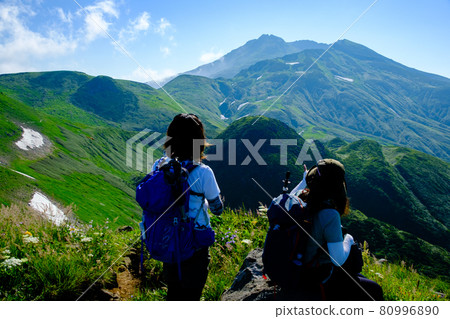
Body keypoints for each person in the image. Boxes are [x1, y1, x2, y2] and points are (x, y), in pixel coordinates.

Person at [151, 113, 223, 301]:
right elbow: (217, 209)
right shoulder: (203, 172)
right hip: (195, 243)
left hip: (167, 239)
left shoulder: (158, 166)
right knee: (191, 296)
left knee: (173, 292)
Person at [292, 159, 383, 301]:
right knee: (374, 290)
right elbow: (337, 260)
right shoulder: (330, 215)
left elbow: (288, 197)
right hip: (312, 276)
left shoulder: (298, 199)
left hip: (293, 267)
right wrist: (349, 239)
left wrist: (304, 180)